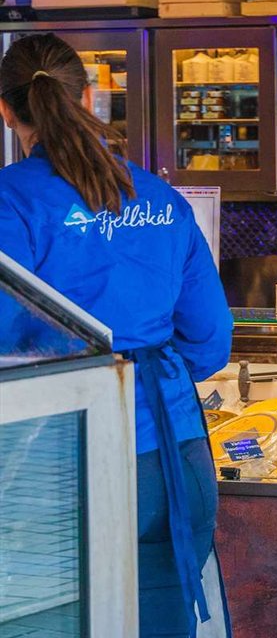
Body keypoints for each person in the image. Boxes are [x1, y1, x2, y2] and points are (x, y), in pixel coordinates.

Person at [0, 34, 233, 636]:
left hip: (60, 463)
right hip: (177, 459)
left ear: (6, 110)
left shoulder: (12, 200)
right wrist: (146, 367)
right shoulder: (160, 197)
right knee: (162, 621)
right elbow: (210, 340)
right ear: (91, 95)